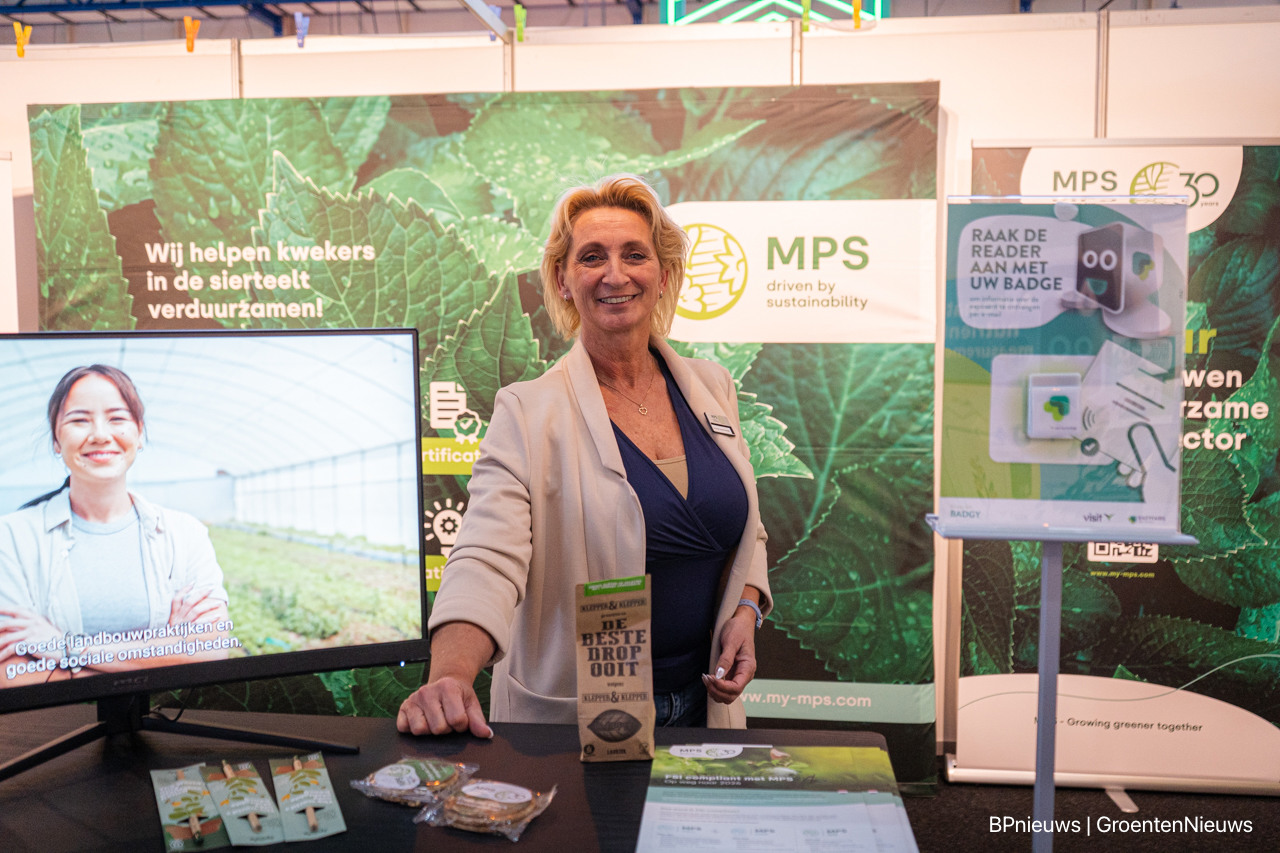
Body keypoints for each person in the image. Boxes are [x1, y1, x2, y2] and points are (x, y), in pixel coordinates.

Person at [398, 174, 771, 737]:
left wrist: (746, 609)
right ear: (563, 280)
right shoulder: (527, 412)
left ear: (663, 274)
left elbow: (748, 532)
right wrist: (450, 674)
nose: (615, 275)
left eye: (635, 255)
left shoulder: (712, 387)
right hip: (582, 723)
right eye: (592, 257)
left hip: (706, 709)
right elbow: (486, 557)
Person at [0, 364, 230, 687]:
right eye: (79, 420)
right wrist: (166, 651)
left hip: (161, 715)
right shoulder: (11, 538)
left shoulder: (185, 534)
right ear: (56, 439)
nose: (99, 435)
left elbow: (211, 650)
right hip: (62, 721)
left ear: (139, 433)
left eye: (117, 418)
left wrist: (65, 648)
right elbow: (10, 676)